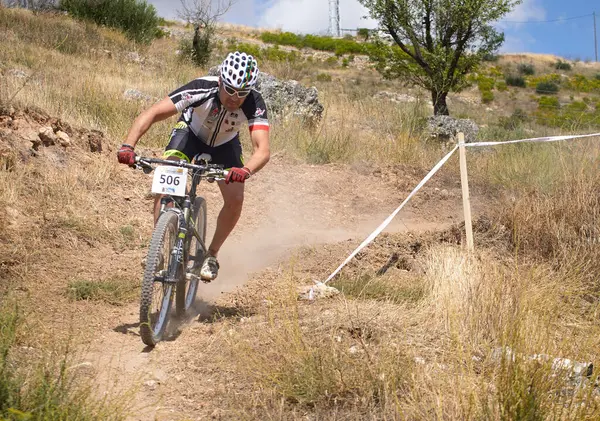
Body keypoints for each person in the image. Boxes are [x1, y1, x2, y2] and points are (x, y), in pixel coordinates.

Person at [117, 51, 270, 281]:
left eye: (242, 93)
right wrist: (128, 145)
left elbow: (263, 149)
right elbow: (153, 112)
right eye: (230, 89)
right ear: (220, 81)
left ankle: (212, 255)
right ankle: (157, 249)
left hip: (225, 145)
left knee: (236, 199)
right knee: (167, 178)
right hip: (189, 134)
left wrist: (245, 170)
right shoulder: (201, 87)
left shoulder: (254, 101)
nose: (235, 98)